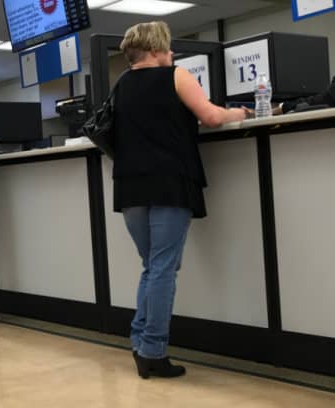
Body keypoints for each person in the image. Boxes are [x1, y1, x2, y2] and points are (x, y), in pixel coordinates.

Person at [112, 21, 246, 378]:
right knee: (163, 268)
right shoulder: (176, 76)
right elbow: (211, 116)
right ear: (156, 50)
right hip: (169, 182)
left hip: (129, 188)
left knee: (152, 266)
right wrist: (241, 113)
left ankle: (140, 342)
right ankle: (153, 350)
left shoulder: (120, 86)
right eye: (169, 49)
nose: (172, 55)